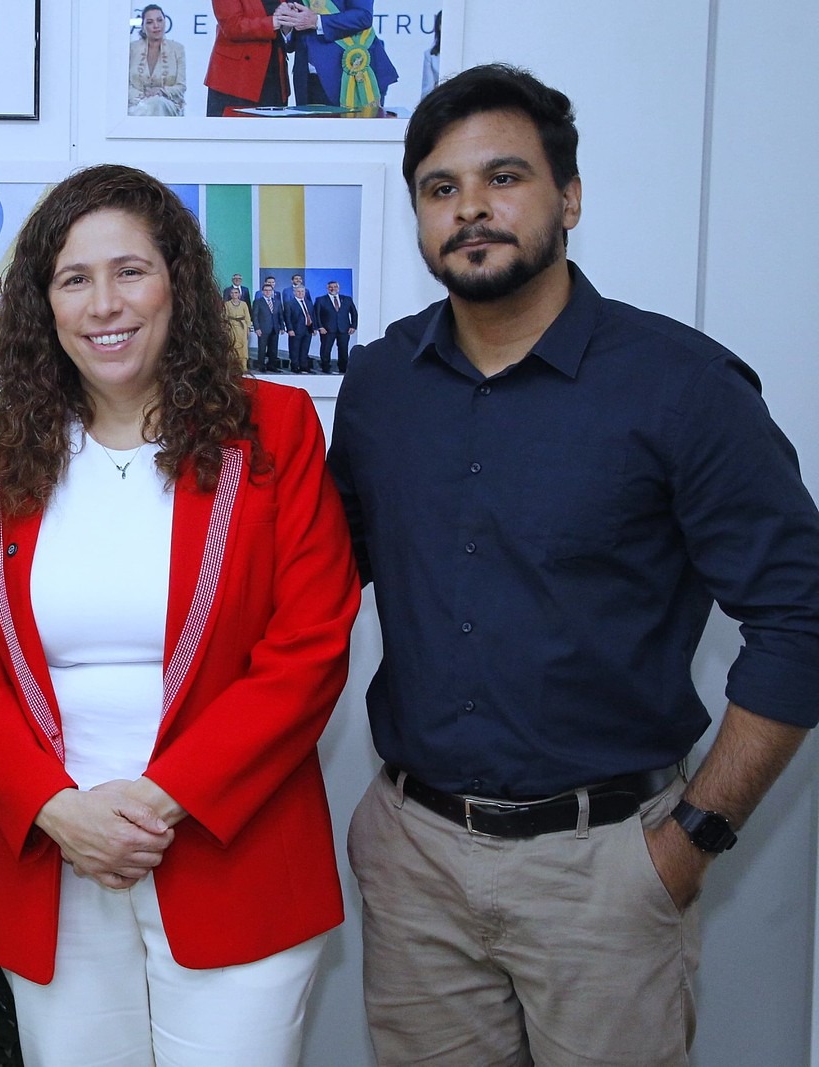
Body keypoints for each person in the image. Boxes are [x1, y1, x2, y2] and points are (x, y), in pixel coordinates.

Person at [326, 64, 819, 1065]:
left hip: (607, 869)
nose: (469, 208)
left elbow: (800, 615)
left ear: (569, 196)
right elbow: (317, 582)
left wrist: (688, 842)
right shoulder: (378, 385)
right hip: (413, 860)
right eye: (439, 187)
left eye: (502, 176)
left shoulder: (683, 387)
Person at [0, 163, 360, 1065]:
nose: (104, 303)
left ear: (180, 282)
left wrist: (160, 801)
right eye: (73, 279)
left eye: (130, 270)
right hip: (55, 862)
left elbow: (311, 647)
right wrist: (58, 808)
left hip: (233, 859)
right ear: (42, 306)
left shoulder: (275, 431)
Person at [277, 0, 397, 110]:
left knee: (353, 132)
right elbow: (294, 36)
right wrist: (287, 25)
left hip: (348, 72)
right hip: (306, 76)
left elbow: (363, 16)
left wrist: (316, 21)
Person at [205, 0, 294, 116]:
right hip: (238, 80)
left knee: (272, 131)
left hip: (274, 74)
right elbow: (232, 26)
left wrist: (289, 18)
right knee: (233, 132)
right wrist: (272, 23)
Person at [128, 4, 186, 116]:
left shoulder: (177, 49)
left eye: (159, 20)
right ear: (143, 27)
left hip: (167, 104)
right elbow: (124, 85)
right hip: (136, 104)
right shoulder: (131, 49)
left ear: (165, 22)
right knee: (146, 107)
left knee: (157, 103)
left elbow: (181, 87)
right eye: (150, 22)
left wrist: (160, 92)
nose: (156, 25)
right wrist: (143, 96)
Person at [312, 279, 355, 372]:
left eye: (335, 287)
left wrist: (353, 326)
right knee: (326, 349)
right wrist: (320, 327)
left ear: (338, 288)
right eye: (330, 287)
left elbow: (354, 313)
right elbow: (316, 314)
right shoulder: (320, 300)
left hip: (344, 329)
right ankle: (325, 367)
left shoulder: (347, 299)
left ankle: (343, 369)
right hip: (327, 329)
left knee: (343, 349)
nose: (333, 289)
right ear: (327, 289)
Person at [250, 274, 284, 372]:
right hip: (263, 329)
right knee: (262, 348)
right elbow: (255, 316)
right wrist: (257, 328)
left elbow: (280, 315)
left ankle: (272, 366)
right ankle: (261, 366)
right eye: (266, 290)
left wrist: (282, 327)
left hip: (275, 328)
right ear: (263, 292)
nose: (268, 292)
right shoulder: (258, 301)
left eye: (270, 290)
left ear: (272, 291)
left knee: (273, 349)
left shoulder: (277, 301)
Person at [285, 282, 316, 372]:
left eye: (302, 291)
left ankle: (304, 366)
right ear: (294, 292)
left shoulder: (309, 303)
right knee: (294, 349)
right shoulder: (289, 303)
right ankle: (295, 366)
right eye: (298, 292)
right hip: (296, 330)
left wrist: (314, 328)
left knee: (305, 349)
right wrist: (290, 329)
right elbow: (287, 317)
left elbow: (312, 316)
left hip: (308, 329)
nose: (300, 293)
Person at [222, 284, 252, 369]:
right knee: (232, 345)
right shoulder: (227, 304)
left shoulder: (244, 304)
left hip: (242, 328)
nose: (234, 294)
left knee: (243, 346)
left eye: (236, 293)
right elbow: (224, 316)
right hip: (231, 327)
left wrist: (248, 328)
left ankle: (243, 366)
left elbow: (247, 316)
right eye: (232, 293)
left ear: (239, 294)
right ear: (230, 294)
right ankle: (232, 366)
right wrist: (225, 327)